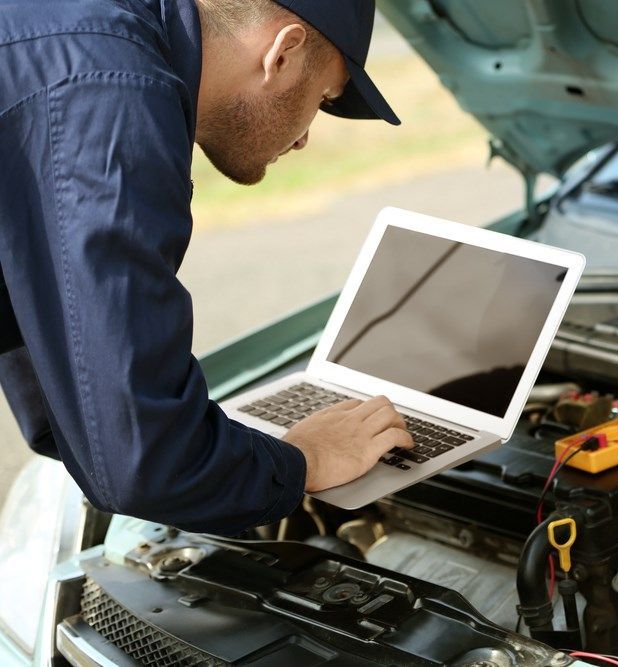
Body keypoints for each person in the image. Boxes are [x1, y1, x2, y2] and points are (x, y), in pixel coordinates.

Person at [0, 0, 414, 534]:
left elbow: (48, 324)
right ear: (282, 53)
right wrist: (305, 461)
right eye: (324, 98)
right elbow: (143, 464)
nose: (308, 135)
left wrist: (192, 441)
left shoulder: (84, 32)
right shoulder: (113, 94)